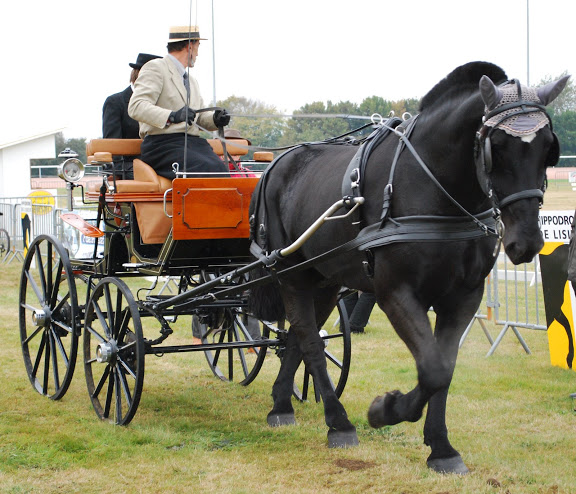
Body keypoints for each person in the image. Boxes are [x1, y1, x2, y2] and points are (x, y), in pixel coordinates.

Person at [128, 25, 230, 179]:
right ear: (190, 46)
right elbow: (136, 106)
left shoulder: (192, 81)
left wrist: (215, 119)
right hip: (162, 145)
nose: (197, 53)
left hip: (192, 144)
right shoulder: (155, 68)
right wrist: (172, 115)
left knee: (220, 170)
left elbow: (198, 117)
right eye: (198, 47)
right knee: (205, 169)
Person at [102, 52, 161, 178]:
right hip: (128, 165)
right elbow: (112, 145)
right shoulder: (115, 103)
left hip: (160, 162)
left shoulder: (164, 104)